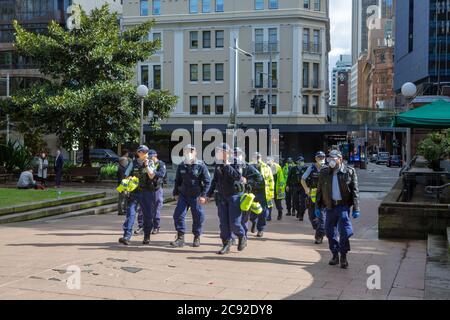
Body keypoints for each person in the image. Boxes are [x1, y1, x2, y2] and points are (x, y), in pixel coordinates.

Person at [316, 150, 360, 269]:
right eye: (330, 158)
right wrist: (318, 206)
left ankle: (344, 255)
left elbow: (355, 191)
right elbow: (319, 190)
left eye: (334, 158)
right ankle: (335, 255)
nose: (331, 160)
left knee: (345, 231)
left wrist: (356, 208)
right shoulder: (324, 172)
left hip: (343, 206)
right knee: (329, 232)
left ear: (340, 159)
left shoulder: (349, 171)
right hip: (330, 206)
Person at [207, 143, 247, 254]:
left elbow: (238, 176)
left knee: (234, 223)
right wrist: (207, 194)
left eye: (220, 151)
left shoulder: (236, 161)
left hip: (234, 196)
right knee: (223, 223)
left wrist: (227, 166)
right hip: (222, 196)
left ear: (227, 152)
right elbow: (215, 180)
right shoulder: (218, 164)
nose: (218, 153)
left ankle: (241, 236)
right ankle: (226, 244)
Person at [119, 145, 161, 246]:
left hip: (147, 192)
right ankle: (126, 236)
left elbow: (151, 175)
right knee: (130, 213)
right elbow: (126, 175)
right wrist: (124, 188)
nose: (145, 154)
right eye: (143, 152)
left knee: (147, 215)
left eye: (146, 152)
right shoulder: (132, 163)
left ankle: (146, 236)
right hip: (134, 192)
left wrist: (146, 165)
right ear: (138, 153)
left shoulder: (150, 162)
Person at [171, 144, 211, 248]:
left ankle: (197, 236)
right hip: (183, 195)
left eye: (191, 151)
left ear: (195, 153)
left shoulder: (201, 165)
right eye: (186, 151)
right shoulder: (181, 165)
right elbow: (177, 181)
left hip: (196, 196)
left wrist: (204, 195)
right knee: (178, 215)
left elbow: (207, 182)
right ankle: (180, 238)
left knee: (198, 216)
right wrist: (175, 193)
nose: (188, 153)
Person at [232, 147, 264, 238]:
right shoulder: (229, 166)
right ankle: (231, 238)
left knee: (243, 219)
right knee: (232, 218)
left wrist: (248, 181)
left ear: (242, 156)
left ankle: (244, 237)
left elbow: (259, 178)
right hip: (232, 196)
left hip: (245, 196)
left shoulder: (247, 166)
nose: (236, 156)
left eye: (238, 154)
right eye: (235, 154)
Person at [301, 151, 326, 244]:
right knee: (312, 217)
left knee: (322, 218)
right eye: (319, 158)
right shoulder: (311, 168)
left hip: (324, 197)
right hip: (312, 196)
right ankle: (319, 230)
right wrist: (306, 189)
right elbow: (303, 179)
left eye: (323, 157)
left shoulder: (327, 168)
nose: (321, 159)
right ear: (316, 158)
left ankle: (319, 236)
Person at [249, 152, 274, 238]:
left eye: (258, 157)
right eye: (255, 157)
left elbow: (271, 180)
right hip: (252, 192)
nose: (257, 158)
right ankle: (253, 221)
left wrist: (271, 193)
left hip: (264, 192)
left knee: (264, 212)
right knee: (252, 210)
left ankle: (260, 229)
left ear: (261, 158)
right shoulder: (249, 166)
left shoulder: (266, 167)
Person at [147, 149, 166, 234]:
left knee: (157, 208)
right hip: (148, 188)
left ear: (155, 155)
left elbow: (162, 174)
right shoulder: (148, 163)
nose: (150, 158)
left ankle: (156, 227)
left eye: (151, 157)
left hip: (157, 188)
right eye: (149, 157)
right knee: (146, 209)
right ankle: (144, 226)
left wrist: (153, 172)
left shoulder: (161, 164)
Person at [286, 156, 308, 221]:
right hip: (295, 186)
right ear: (297, 162)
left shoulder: (306, 168)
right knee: (295, 201)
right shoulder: (293, 169)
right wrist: (287, 185)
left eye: (303, 161)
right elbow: (289, 177)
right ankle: (298, 211)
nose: (302, 162)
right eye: (300, 161)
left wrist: (308, 187)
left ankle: (301, 214)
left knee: (303, 201)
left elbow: (309, 177)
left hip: (303, 186)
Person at [266, 156, 286, 221]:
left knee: (278, 204)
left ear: (273, 161)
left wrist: (281, 187)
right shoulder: (265, 167)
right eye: (267, 160)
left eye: (269, 160)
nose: (268, 162)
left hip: (277, 189)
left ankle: (280, 213)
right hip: (268, 189)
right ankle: (269, 216)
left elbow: (281, 179)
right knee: (269, 203)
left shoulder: (278, 167)